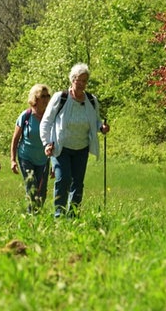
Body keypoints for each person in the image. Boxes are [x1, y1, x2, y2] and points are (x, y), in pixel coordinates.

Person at [40, 63, 110, 218]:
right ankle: (59, 216)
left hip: (81, 148)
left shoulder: (91, 100)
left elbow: (96, 121)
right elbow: (46, 121)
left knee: (78, 184)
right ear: (72, 80)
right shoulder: (61, 98)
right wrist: (46, 143)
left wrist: (102, 127)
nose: (81, 84)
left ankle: (73, 216)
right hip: (61, 147)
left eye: (85, 81)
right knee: (63, 179)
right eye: (79, 80)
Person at [10, 84, 52, 214]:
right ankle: (31, 216)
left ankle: (37, 214)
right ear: (35, 98)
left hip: (44, 159)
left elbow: (55, 141)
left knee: (42, 191)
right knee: (32, 187)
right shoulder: (26, 116)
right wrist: (12, 159)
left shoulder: (51, 116)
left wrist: (55, 164)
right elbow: (15, 139)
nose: (45, 99)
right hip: (26, 157)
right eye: (42, 96)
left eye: (47, 96)